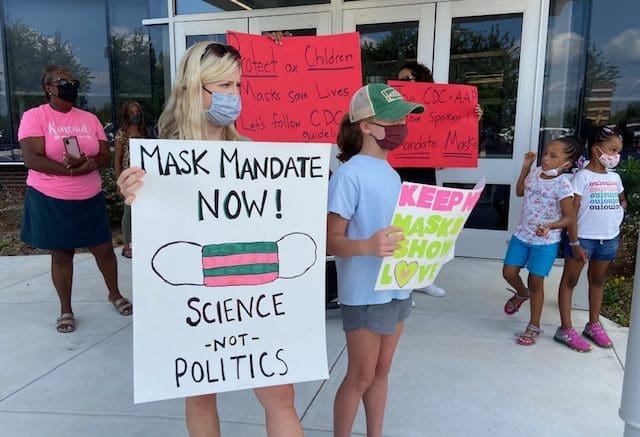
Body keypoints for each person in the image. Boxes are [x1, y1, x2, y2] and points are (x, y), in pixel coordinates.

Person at [117, 41, 303, 437]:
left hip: (255, 294)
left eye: (237, 85)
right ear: (192, 88)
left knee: (280, 396)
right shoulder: (162, 159)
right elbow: (149, 239)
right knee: (201, 395)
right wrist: (135, 196)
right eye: (221, 86)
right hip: (197, 299)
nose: (233, 96)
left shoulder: (250, 153)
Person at [327, 83, 424, 437]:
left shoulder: (392, 174)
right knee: (361, 375)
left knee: (381, 371)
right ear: (365, 125)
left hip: (397, 286)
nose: (401, 127)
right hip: (365, 292)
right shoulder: (349, 175)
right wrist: (368, 246)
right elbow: (330, 240)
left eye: (404, 118)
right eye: (392, 119)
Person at [18, 65, 132, 334]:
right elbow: (32, 158)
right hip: (51, 197)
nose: (71, 86)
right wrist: (71, 169)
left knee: (104, 249)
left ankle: (114, 294)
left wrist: (88, 164)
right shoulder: (35, 116)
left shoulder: (89, 119)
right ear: (48, 88)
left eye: (73, 81)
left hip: (89, 196)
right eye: (63, 81)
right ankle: (65, 309)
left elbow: (105, 154)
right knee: (62, 253)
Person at [396, 61, 483, 298]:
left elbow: (453, 134)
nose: (401, 84)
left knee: (424, 231)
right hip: (396, 176)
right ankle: (399, 288)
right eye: (399, 80)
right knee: (401, 232)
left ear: (420, 80)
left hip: (423, 176)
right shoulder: (394, 108)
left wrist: (473, 118)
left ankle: (423, 279)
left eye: (406, 79)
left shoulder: (435, 106)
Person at [502, 137, 581, 346]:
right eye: (546, 153)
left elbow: (569, 217)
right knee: (508, 272)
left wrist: (550, 225)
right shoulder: (536, 172)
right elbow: (520, 191)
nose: (545, 158)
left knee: (536, 282)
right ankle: (521, 293)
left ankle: (534, 324)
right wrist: (526, 167)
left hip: (545, 242)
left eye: (553, 156)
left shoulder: (563, 185)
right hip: (522, 235)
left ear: (567, 163)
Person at [555, 126, 627, 352]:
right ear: (597, 150)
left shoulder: (615, 177)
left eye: (618, 151)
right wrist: (574, 242)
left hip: (608, 239)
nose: (616, 156)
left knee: (597, 280)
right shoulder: (581, 177)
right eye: (612, 150)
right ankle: (565, 328)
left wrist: (618, 214)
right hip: (583, 239)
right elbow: (571, 212)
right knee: (570, 281)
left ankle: (593, 325)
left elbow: (622, 200)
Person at [114, 101, 149, 259]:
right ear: (126, 114)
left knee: (144, 211)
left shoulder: (145, 132)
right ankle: (127, 244)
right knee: (128, 211)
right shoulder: (122, 133)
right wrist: (118, 181)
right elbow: (117, 160)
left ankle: (142, 242)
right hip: (128, 176)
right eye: (132, 112)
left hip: (144, 175)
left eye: (137, 112)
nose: (135, 115)